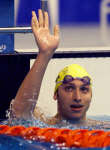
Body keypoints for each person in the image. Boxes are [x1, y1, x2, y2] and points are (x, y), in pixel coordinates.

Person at [10, 10, 109, 127]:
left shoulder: (103, 127)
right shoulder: (43, 124)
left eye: (84, 90)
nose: (77, 97)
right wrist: (44, 54)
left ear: (91, 96)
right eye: (69, 89)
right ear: (56, 94)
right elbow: (19, 116)